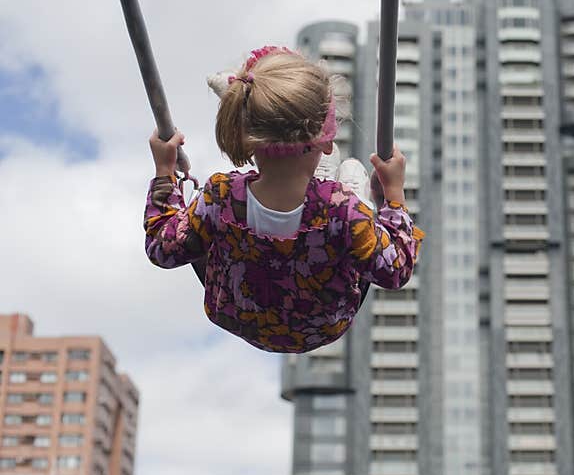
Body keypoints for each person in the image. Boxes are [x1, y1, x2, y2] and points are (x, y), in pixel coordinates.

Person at [143, 45, 423, 353]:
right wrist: (393, 195)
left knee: (202, 225)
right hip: (319, 326)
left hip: (239, 314)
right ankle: (325, 178)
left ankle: (276, 136)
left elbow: (163, 248)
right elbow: (395, 269)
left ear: (244, 137)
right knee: (348, 190)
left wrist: (165, 172)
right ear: (326, 141)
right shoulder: (342, 208)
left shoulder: (219, 195)